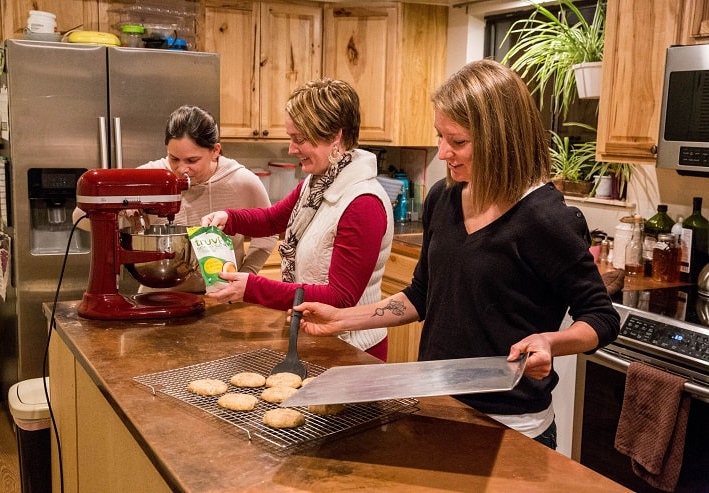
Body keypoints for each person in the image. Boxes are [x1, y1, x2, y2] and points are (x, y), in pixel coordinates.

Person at [291, 60, 621, 450]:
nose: (443, 152)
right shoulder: (444, 199)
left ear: (501, 138)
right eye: (439, 136)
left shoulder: (545, 218)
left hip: (512, 427)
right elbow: (421, 294)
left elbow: (601, 317)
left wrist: (551, 342)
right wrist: (343, 317)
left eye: (458, 141)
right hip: (436, 407)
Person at [201, 78, 394, 361]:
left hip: (353, 350)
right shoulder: (317, 184)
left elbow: (340, 297)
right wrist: (228, 218)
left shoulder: (362, 203)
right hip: (313, 337)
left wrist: (252, 288)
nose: (291, 149)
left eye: (300, 139)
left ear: (335, 137)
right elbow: (271, 219)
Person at [74, 105, 278, 293]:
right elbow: (79, 218)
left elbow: (269, 233)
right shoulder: (151, 176)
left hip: (221, 298)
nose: (181, 169)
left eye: (192, 160)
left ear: (215, 151)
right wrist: (119, 210)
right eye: (174, 159)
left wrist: (247, 275)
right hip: (157, 296)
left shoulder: (242, 181)